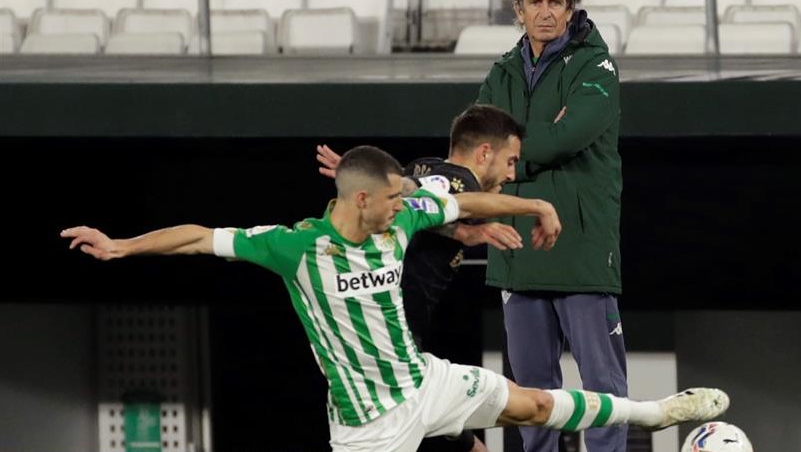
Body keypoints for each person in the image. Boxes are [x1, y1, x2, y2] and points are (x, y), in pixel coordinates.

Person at [61, 146, 728, 452]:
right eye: (390, 199)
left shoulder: (403, 216)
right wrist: (122, 246)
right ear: (359, 200)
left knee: (533, 403)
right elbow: (200, 238)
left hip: (425, 383)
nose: (401, 207)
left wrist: (533, 202)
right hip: (365, 427)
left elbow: (465, 199)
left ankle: (654, 413)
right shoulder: (294, 248)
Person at [476, 0, 629, 452]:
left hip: (581, 249)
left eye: (556, 3)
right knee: (529, 392)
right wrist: (527, 146)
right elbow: (481, 147)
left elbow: (569, 135)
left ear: (570, 8)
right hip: (518, 250)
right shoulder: (501, 72)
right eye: (536, 3)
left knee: (602, 386)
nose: (546, 13)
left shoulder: (596, 65)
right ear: (518, 11)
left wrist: (512, 156)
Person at [316, 105, 526, 452]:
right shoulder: (460, 181)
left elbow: (415, 191)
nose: (512, 174)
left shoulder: (422, 165)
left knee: (410, 409)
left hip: (372, 322)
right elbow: (422, 189)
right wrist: (462, 230)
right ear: (484, 152)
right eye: (511, 161)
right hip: (388, 328)